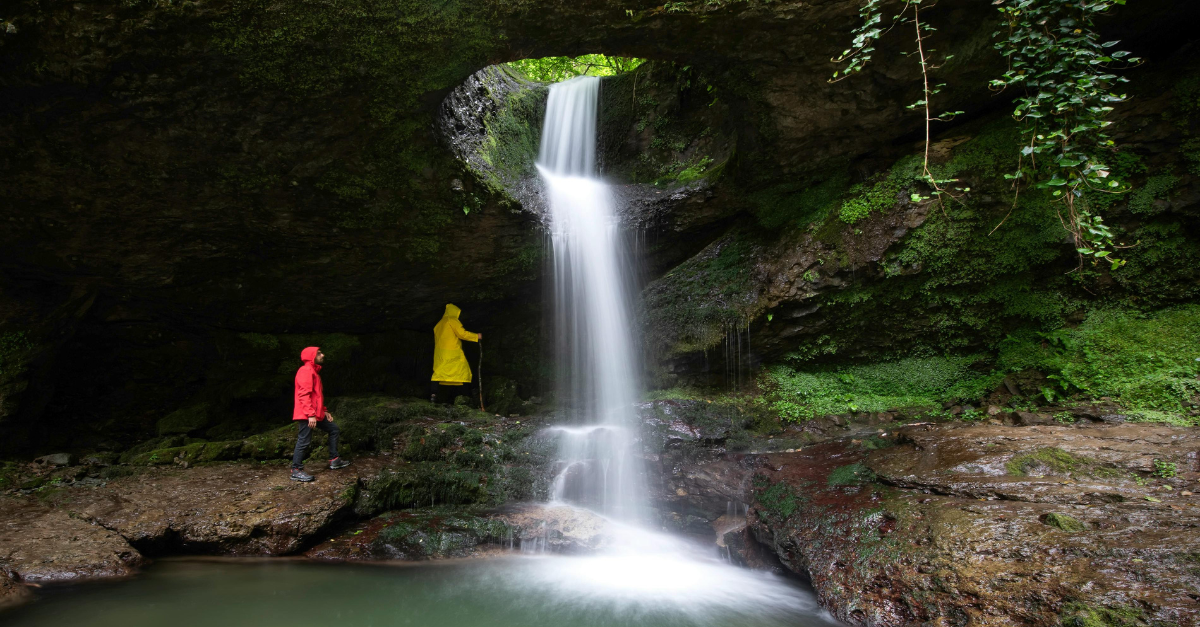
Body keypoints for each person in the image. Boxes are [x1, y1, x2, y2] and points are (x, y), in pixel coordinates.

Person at [291, 346, 351, 482]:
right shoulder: (306, 370)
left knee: (334, 429)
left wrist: (324, 411)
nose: (322, 355)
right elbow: (304, 394)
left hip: (315, 412)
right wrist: (310, 414)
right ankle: (296, 470)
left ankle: (334, 460)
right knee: (304, 440)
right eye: (319, 353)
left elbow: (316, 396)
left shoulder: (314, 372)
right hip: (307, 414)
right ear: (311, 357)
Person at [430, 304, 483, 404]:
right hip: (452, 352)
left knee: (438, 374)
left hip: (440, 354)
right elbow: (461, 333)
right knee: (464, 371)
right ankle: (468, 397)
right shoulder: (452, 320)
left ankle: (433, 395)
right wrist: (476, 336)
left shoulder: (439, 323)